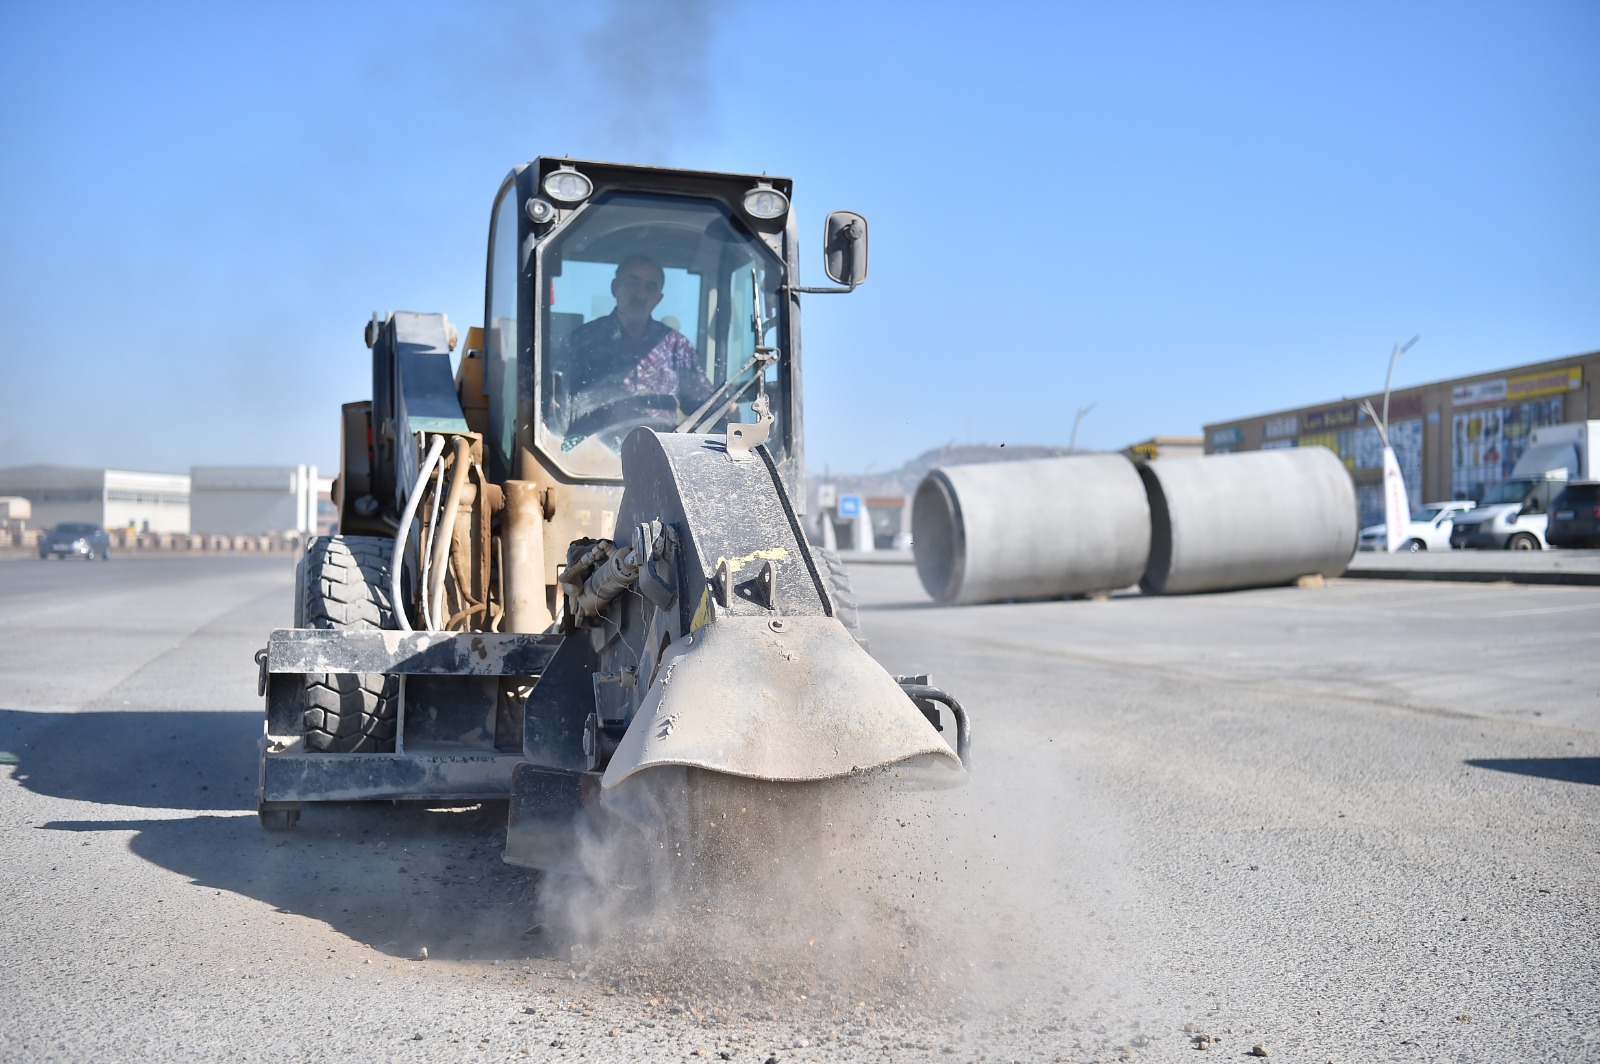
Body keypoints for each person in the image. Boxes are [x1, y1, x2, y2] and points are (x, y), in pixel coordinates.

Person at [556, 255, 714, 444]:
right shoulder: (582, 341)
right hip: (589, 454)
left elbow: (704, 407)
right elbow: (557, 406)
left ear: (658, 299)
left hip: (658, 455)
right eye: (633, 282)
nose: (640, 294)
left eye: (650, 287)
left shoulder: (676, 346)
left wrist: (728, 409)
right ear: (615, 287)